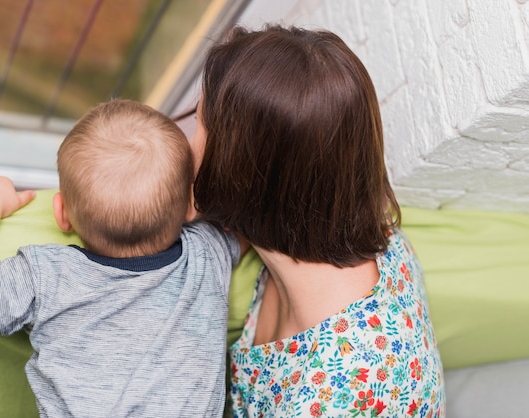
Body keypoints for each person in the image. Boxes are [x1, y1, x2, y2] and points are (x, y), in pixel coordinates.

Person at [0, 99, 246, 417]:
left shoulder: (47, 279)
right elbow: (252, 212)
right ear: (191, 206)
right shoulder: (208, 253)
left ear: (61, 214)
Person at [190, 25, 446, 416]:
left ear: (247, 173)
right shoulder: (358, 225)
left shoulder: (325, 397)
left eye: (198, 126)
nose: (186, 145)